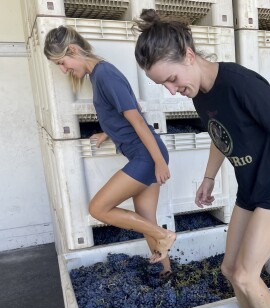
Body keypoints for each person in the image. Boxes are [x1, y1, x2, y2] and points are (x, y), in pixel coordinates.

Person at [133, 10, 270, 308]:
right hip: (249, 189)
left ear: (188, 55)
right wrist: (208, 177)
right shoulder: (201, 94)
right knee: (230, 269)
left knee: (246, 273)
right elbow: (220, 135)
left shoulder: (239, 83)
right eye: (162, 86)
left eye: (171, 79)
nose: (172, 90)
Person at [43, 26, 176, 274]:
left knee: (98, 209)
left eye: (63, 62)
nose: (64, 70)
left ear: (73, 50)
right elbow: (123, 110)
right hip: (145, 154)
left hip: (147, 156)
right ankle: (166, 273)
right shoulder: (97, 75)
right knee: (146, 221)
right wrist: (108, 131)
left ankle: (164, 235)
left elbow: (137, 118)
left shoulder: (105, 75)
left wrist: (159, 162)